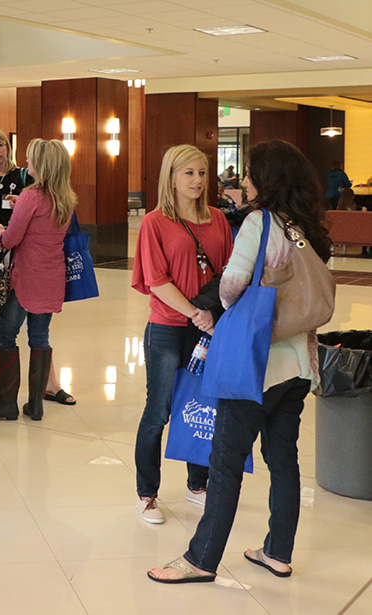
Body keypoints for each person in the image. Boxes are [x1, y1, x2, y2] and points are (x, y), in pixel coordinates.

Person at [148, 139, 333, 584]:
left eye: (249, 173)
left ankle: (201, 559)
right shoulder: (302, 226)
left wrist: (223, 309)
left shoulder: (260, 222)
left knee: (225, 462)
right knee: (283, 460)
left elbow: (231, 287)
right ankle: (278, 552)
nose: (244, 181)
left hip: (256, 368)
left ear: (266, 178)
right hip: (298, 367)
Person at [131, 144, 233, 524]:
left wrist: (210, 315)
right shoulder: (155, 222)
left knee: (202, 406)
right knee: (159, 411)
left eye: (202, 173)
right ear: (171, 177)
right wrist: (195, 313)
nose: (197, 180)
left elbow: (230, 272)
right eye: (188, 173)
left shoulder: (218, 219)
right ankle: (146, 493)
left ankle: (197, 483)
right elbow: (157, 280)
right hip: (168, 327)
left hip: (208, 329)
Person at [0, 138, 76, 423]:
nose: (27, 162)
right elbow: (44, 227)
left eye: (31, 158)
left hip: (26, 277)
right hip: (51, 277)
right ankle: (36, 404)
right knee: (40, 337)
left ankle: (7, 403)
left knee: (5, 334)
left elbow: (12, 239)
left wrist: (1, 232)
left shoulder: (31, 196)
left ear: (42, 163)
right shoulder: (65, 198)